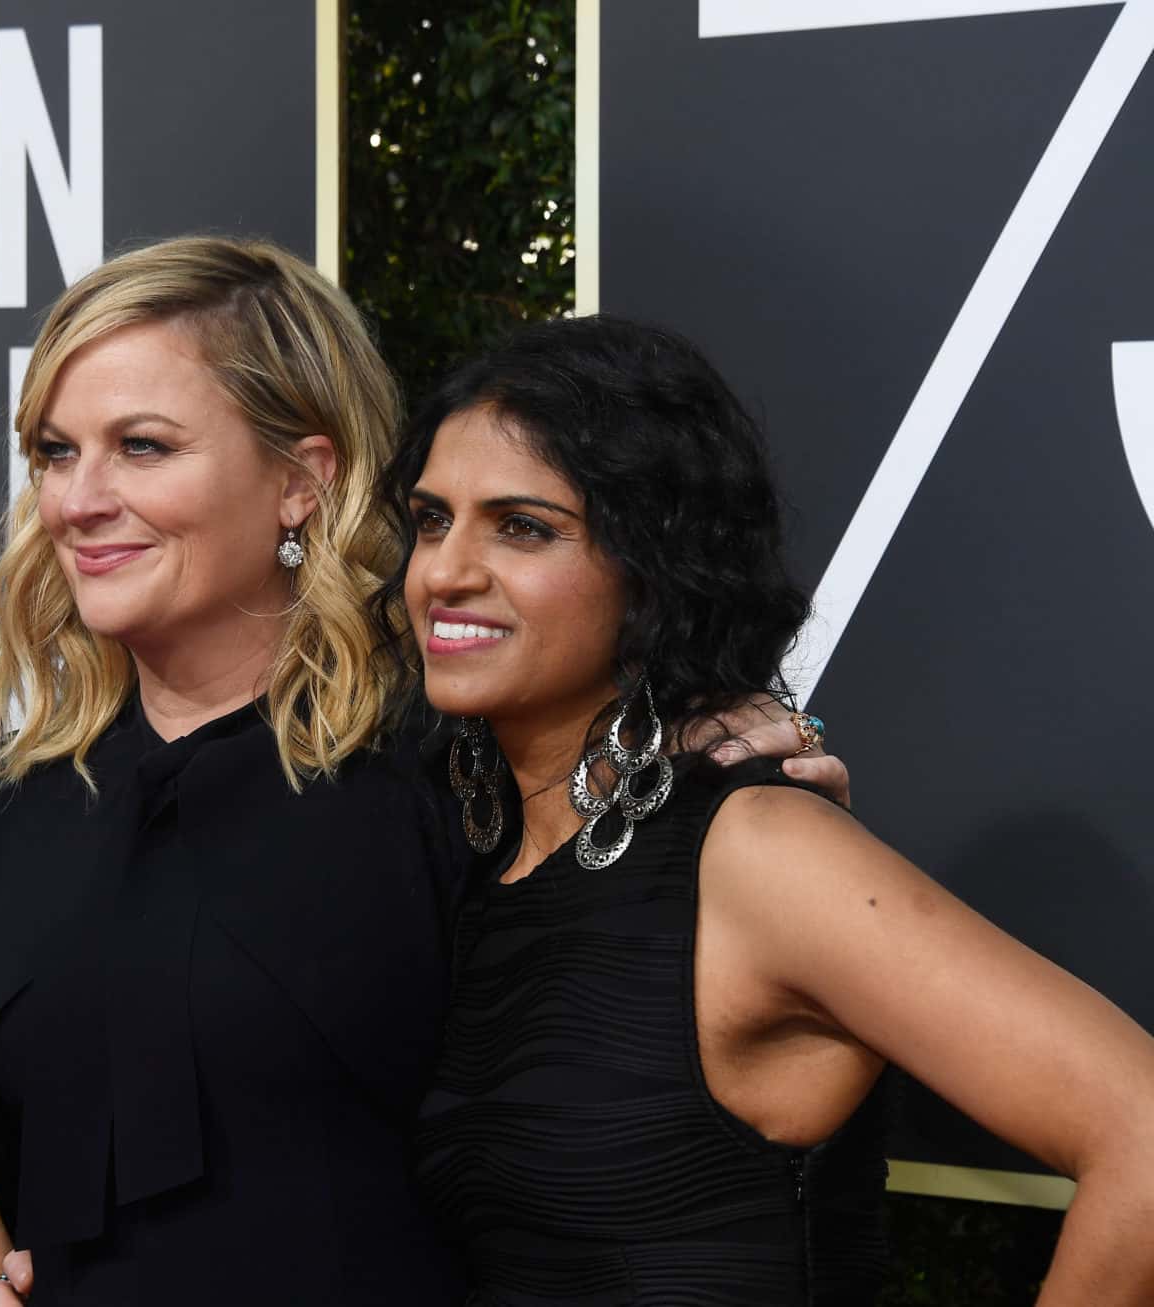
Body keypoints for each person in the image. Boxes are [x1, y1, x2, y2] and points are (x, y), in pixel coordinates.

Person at [0, 239, 842, 1307]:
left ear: (302, 479)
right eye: (54, 450)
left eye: (141, 445)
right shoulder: (21, 789)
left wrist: (709, 735)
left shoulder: (453, 759)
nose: (77, 499)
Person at [391, 316, 1154, 1305]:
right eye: (430, 518)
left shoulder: (757, 849)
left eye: (523, 525)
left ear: (652, 565)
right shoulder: (475, 857)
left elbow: (1140, 1129)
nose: (445, 570)